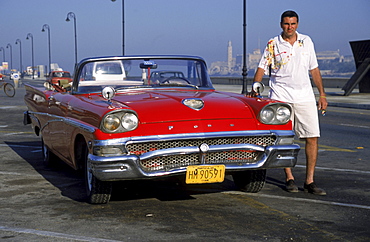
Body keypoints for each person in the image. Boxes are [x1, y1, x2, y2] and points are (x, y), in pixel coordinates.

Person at [252, 10, 327, 195]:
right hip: (281, 95)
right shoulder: (273, 43)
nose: (290, 27)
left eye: (293, 24)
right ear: (281, 24)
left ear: (297, 24)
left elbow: (314, 69)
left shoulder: (306, 41)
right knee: (285, 138)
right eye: (286, 24)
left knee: (312, 137)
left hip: (305, 96)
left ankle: (310, 181)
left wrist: (322, 94)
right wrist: (256, 86)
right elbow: (262, 66)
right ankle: (289, 177)